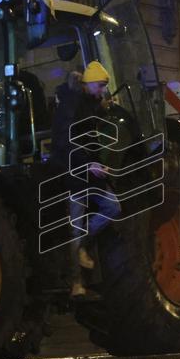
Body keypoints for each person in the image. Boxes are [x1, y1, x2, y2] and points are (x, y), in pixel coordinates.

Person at [51, 60, 121, 298]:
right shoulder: (72, 106)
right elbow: (66, 142)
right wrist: (89, 163)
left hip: (88, 172)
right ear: (89, 83)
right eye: (100, 85)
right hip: (75, 173)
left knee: (111, 207)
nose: (102, 90)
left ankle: (83, 247)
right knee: (75, 228)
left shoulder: (87, 104)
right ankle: (76, 283)